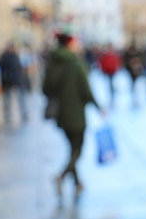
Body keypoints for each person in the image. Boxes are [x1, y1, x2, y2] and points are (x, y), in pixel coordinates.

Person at [42, 31, 103, 200]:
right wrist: (99, 107)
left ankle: (77, 183)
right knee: (78, 149)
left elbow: (45, 88)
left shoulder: (53, 63)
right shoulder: (76, 64)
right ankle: (61, 176)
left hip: (60, 114)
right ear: (69, 44)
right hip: (76, 113)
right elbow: (85, 90)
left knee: (72, 148)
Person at [0, 42, 28, 122]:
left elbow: (19, 68)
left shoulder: (16, 56)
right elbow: (2, 68)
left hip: (17, 80)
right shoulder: (4, 57)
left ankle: (23, 112)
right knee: (8, 98)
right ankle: (7, 114)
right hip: (8, 81)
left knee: (20, 97)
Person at [122, 41, 144, 106]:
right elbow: (125, 63)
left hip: (136, 72)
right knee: (133, 85)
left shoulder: (137, 54)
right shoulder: (128, 55)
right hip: (131, 72)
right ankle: (134, 97)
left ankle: (136, 97)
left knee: (136, 85)